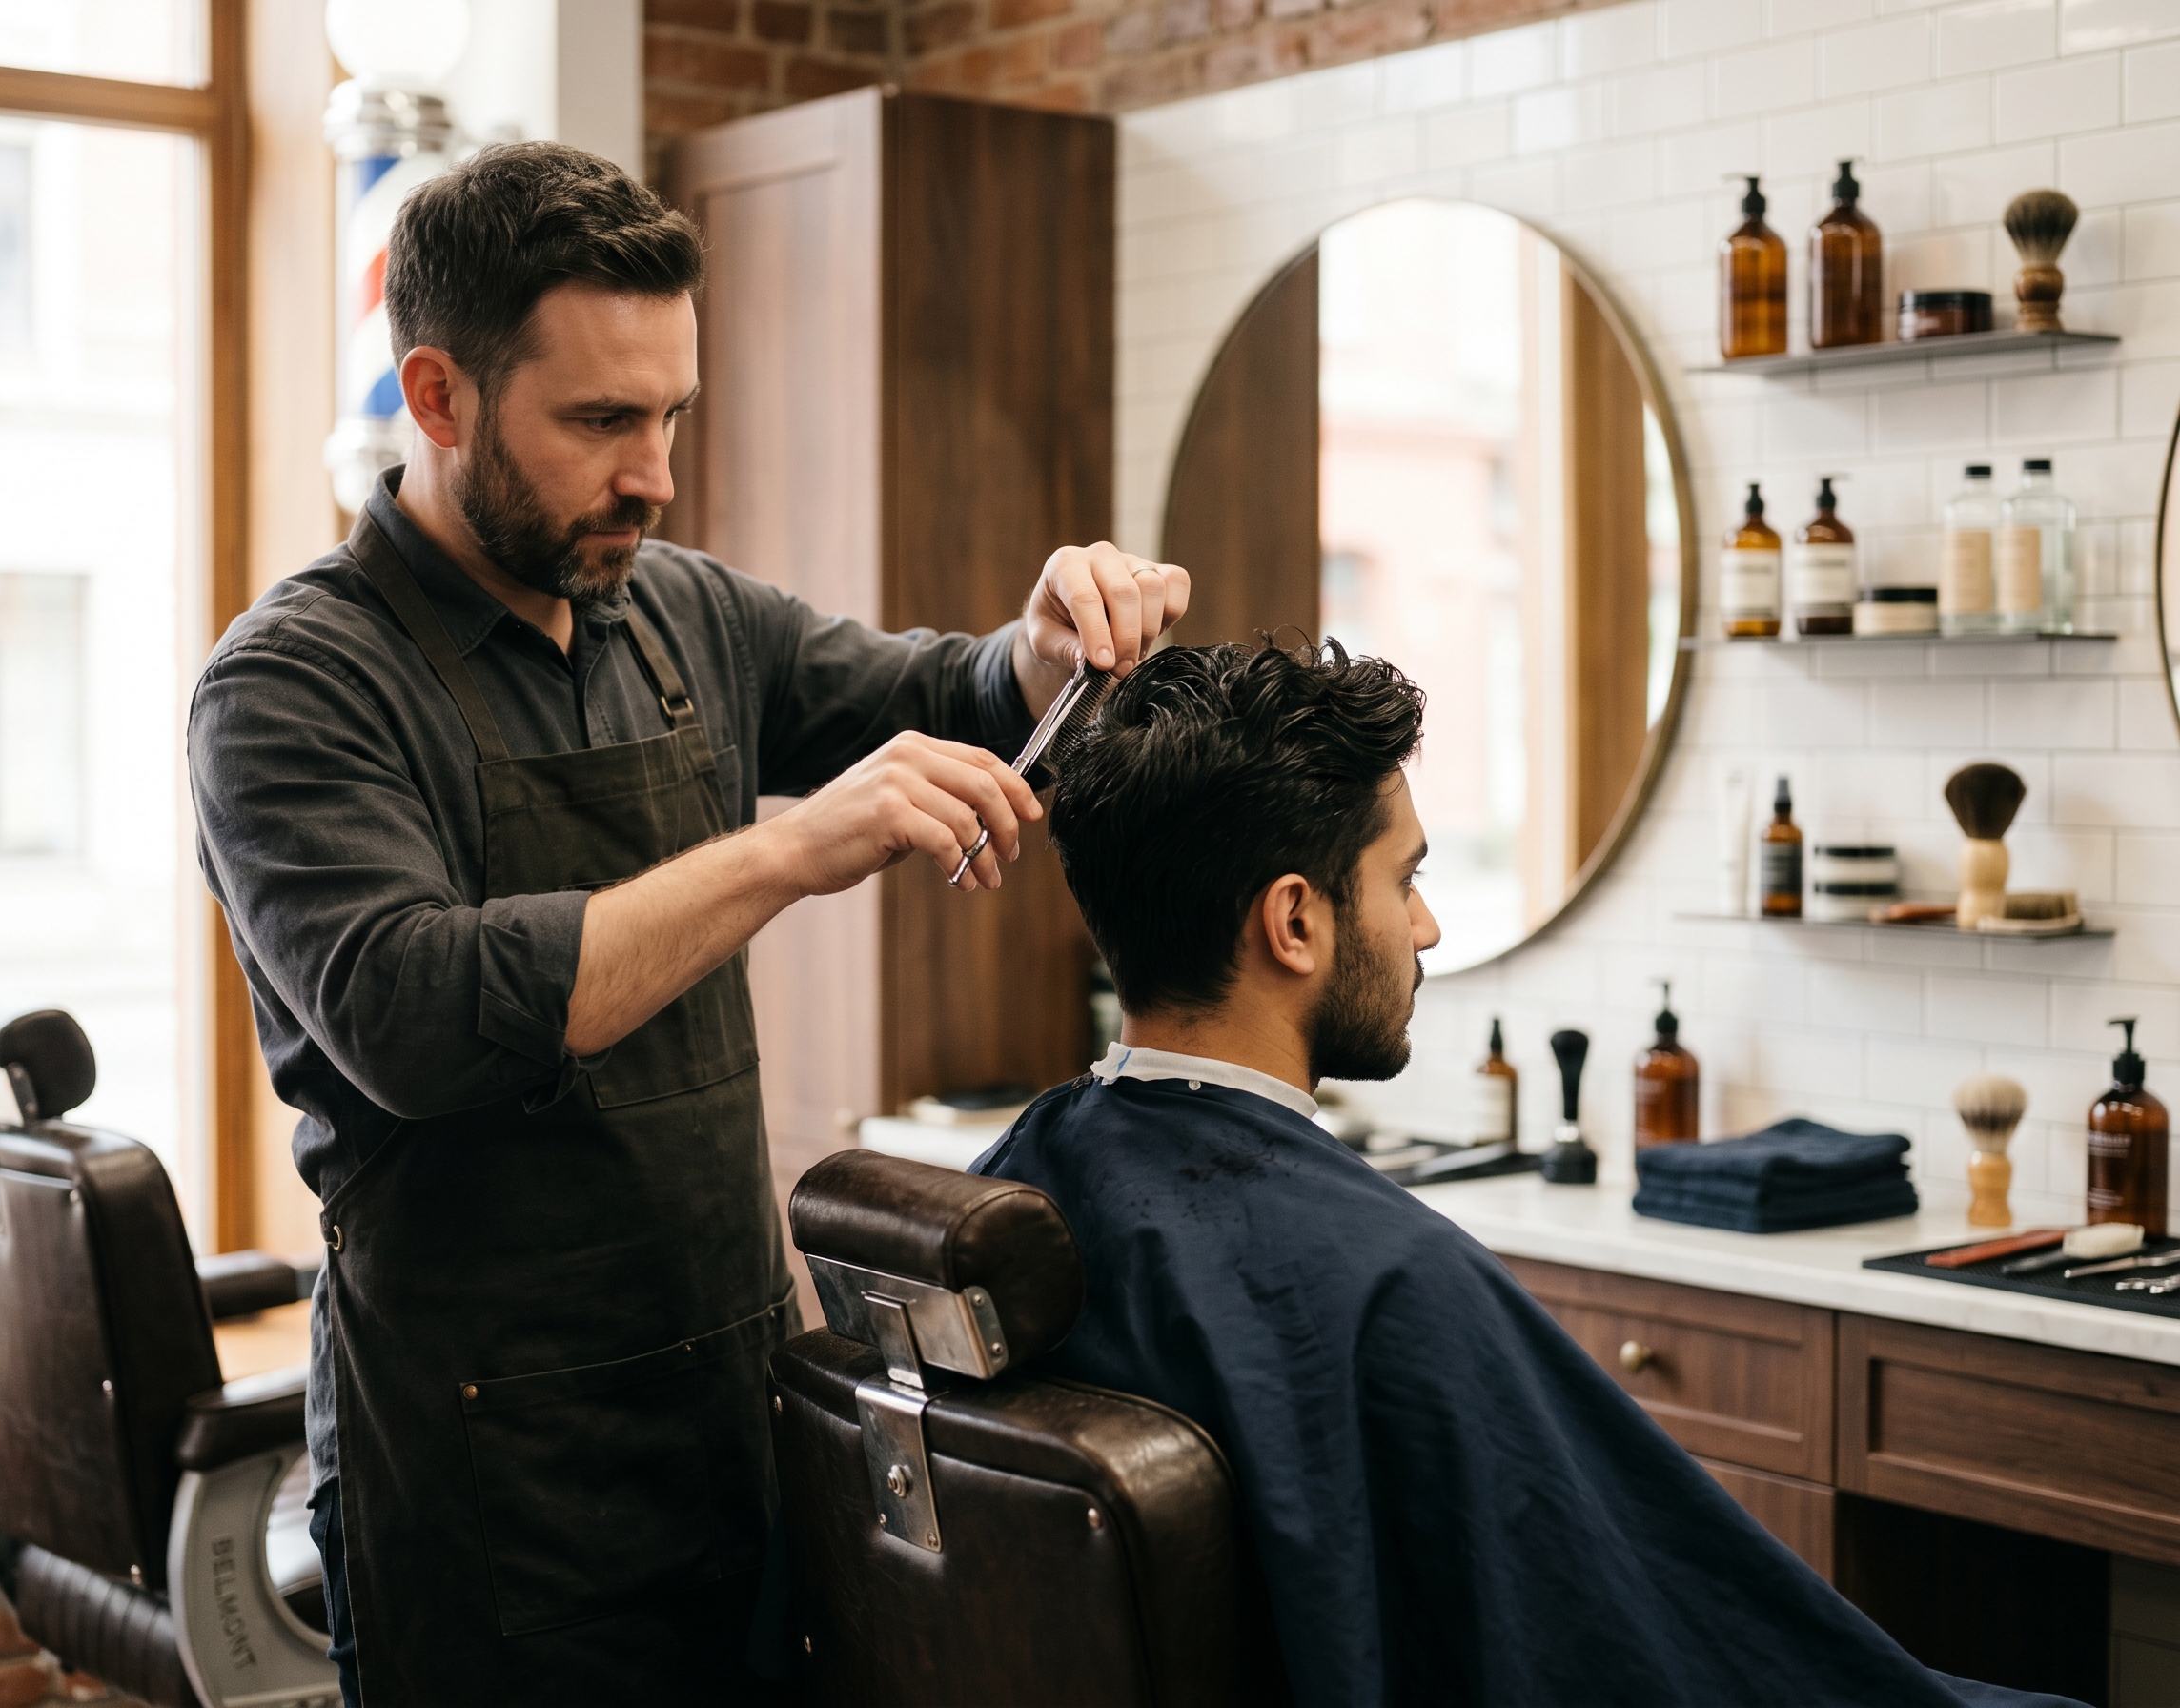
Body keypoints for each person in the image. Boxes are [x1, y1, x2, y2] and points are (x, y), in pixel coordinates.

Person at [189, 142, 1186, 1707]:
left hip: (730, 1433)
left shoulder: (680, 613)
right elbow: (420, 1009)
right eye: (600, 421)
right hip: (482, 1486)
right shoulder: (296, 686)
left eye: (670, 417)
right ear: (437, 397)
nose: (654, 472)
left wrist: (1043, 645)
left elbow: (940, 689)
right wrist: (789, 849)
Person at [970, 640, 2078, 1708]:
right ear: (1296, 920)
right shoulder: (1394, 1282)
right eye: (1403, 880)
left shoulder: (1013, 1181)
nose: (1428, 926)